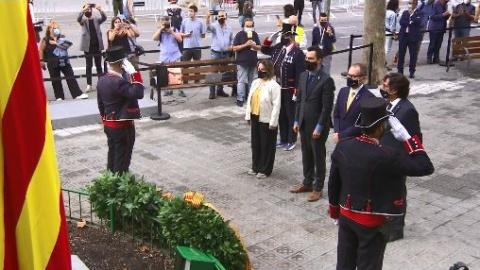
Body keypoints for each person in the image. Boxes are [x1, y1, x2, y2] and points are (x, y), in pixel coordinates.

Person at [328, 97, 434, 270]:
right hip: (372, 221)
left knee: (344, 264)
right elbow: (425, 167)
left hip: (346, 215)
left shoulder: (343, 146)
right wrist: (408, 138)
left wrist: (334, 210)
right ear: (381, 127)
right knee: (369, 265)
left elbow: (334, 182)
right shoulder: (387, 155)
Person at [379, 73, 422, 243]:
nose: (382, 87)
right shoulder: (388, 104)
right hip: (384, 156)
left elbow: (412, 138)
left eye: (385, 85)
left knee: (396, 194)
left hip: (397, 160)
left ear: (394, 90)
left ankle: (396, 229)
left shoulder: (408, 110)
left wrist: (404, 162)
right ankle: (385, 222)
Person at [290, 46, 335, 202]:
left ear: (319, 60)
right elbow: (299, 100)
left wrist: (319, 127)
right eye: (306, 58)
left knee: (318, 155)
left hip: (317, 126)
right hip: (303, 123)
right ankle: (307, 182)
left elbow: (327, 107)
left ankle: (318, 187)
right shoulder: (303, 76)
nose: (307, 61)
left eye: (310, 59)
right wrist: (296, 120)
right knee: (306, 154)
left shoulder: (326, 80)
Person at [97, 46, 144, 173]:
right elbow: (138, 93)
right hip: (122, 127)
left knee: (112, 156)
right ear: (122, 64)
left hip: (109, 125)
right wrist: (134, 73)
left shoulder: (102, 80)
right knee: (122, 161)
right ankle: (118, 188)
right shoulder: (118, 82)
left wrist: (105, 120)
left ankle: (109, 182)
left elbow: (100, 104)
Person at [261, 22, 306, 151]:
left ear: (291, 36)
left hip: (290, 88)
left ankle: (292, 139)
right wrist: (271, 38)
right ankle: (284, 138)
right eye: (283, 35)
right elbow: (264, 49)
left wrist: (297, 91)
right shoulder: (279, 48)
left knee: (291, 114)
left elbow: (300, 74)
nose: (284, 38)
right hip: (278, 87)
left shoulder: (297, 53)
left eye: (286, 35)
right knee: (280, 114)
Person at [245, 59, 281, 179]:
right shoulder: (255, 82)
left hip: (267, 119)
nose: (260, 71)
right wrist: (248, 115)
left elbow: (276, 105)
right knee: (256, 143)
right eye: (258, 69)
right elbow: (250, 99)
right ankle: (256, 166)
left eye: (263, 70)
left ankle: (265, 169)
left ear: (268, 70)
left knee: (267, 145)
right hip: (255, 116)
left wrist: (273, 122)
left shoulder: (274, 86)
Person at [39, 21, 88, 101]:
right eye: (54, 28)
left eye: (57, 28)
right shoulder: (46, 40)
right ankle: (59, 96)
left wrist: (55, 43)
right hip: (52, 62)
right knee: (55, 80)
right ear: (49, 29)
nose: (56, 30)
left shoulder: (61, 37)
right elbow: (41, 50)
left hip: (64, 61)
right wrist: (41, 61)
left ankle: (77, 94)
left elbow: (66, 46)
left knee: (70, 76)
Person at [332, 63, 375, 144]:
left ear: (363, 79)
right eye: (349, 75)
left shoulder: (369, 97)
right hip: (339, 139)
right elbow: (336, 114)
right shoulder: (343, 91)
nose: (350, 78)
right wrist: (337, 132)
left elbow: (361, 124)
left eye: (354, 76)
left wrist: (342, 135)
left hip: (354, 141)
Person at [78, 3, 107, 93]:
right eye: (86, 10)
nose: (88, 10)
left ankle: (101, 84)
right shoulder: (83, 20)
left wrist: (100, 10)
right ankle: (89, 85)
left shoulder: (96, 19)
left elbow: (104, 18)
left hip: (97, 45)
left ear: (91, 10)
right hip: (88, 46)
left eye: (89, 9)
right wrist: (83, 10)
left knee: (99, 66)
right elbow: (78, 18)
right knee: (88, 66)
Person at [233, 19, 261, 107]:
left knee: (252, 81)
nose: (249, 28)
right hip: (242, 62)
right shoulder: (239, 35)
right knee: (241, 80)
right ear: (243, 26)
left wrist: (253, 45)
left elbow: (259, 47)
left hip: (252, 61)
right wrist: (246, 45)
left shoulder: (255, 34)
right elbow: (234, 48)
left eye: (251, 26)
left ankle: (251, 98)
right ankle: (240, 98)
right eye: (247, 26)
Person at [152, 16, 183, 96]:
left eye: (166, 22)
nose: (165, 24)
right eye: (163, 22)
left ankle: (180, 89)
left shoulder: (174, 29)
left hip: (175, 55)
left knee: (178, 73)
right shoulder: (160, 31)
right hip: (164, 56)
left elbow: (180, 39)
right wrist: (160, 29)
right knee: (166, 74)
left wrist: (171, 32)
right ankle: (168, 90)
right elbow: (154, 38)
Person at [206, 9, 234, 99]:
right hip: (216, 53)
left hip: (225, 53)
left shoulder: (229, 28)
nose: (221, 18)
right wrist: (207, 17)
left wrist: (231, 45)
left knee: (223, 73)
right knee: (214, 72)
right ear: (217, 17)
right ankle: (212, 92)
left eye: (222, 16)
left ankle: (220, 90)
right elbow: (208, 27)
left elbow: (232, 39)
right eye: (219, 16)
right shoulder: (214, 26)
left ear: (225, 17)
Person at [180, 5, 206, 97]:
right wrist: (186, 34)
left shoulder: (200, 22)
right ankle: (185, 81)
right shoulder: (184, 21)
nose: (189, 12)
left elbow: (203, 35)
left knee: (197, 64)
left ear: (195, 12)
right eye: (189, 11)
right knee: (185, 65)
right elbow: (181, 33)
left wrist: (197, 35)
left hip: (197, 47)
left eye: (191, 11)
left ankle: (197, 80)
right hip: (186, 47)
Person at [397, 0, 424, 79]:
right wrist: (410, 22)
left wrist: (411, 15)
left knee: (413, 55)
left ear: (415, 4)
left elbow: (418, 22)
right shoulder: (405, 12)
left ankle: (412, 71)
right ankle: (400, 70)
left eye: (411, 3)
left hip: (413, 37)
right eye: (408, 3)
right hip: (404, 36)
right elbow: (402, 22)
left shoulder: (420, 13)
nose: (409, 5)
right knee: (401, 54)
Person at [426, 0, 450, 64]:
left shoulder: (445, 5)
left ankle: (436, 58)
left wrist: (447, 16)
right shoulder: (435, 4)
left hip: (441, 28)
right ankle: (429, 58)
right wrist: (443, 14)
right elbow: (432, 16)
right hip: (434, 28)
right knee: (432, 44)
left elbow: (444, 17)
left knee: (438, 44)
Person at [385, 0, 399, 70]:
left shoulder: (386, 11)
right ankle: (383, 62)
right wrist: (394, 34)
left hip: (384, 31)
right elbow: (392, 26)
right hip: (389, 32)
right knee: (387, 49)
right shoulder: (393, 13)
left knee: (385, 48)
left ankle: (383, 62)